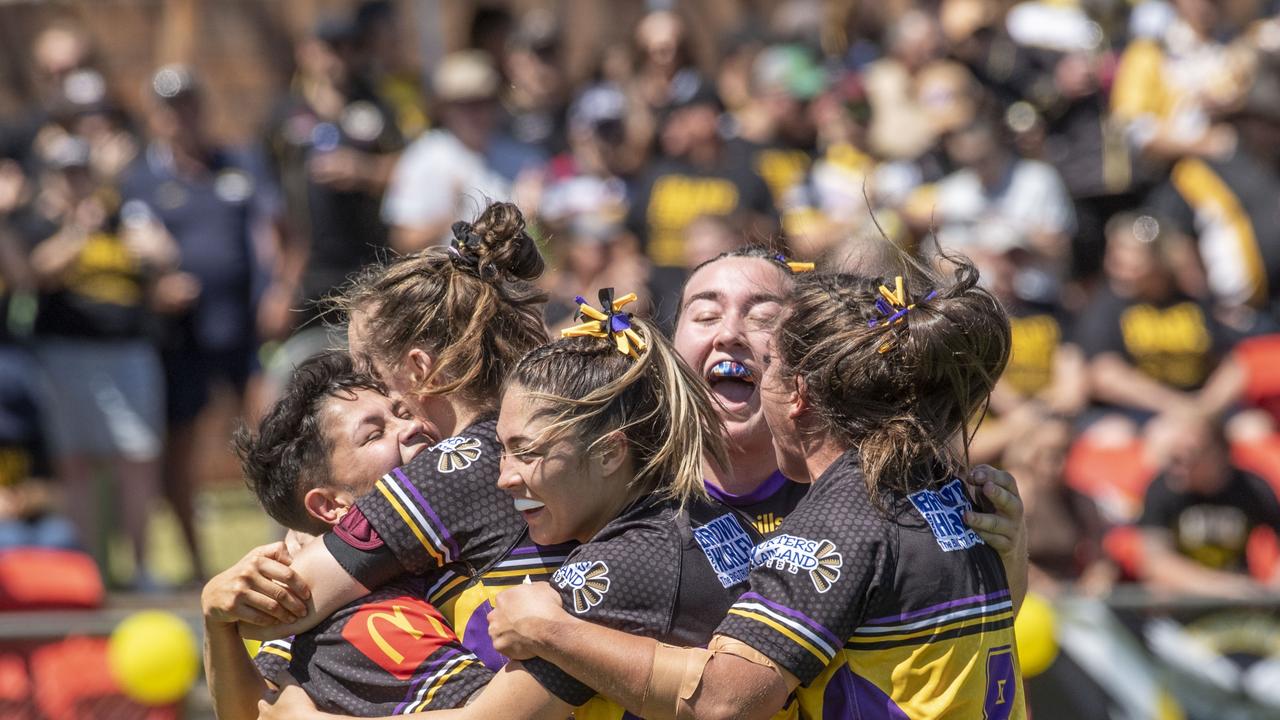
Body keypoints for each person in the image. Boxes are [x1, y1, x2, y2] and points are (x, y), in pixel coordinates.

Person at [486, 259, 1028, 720]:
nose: (732, 335)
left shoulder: (839, 520)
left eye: (767, 346)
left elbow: (725, 701)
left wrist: (551, 629)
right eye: (703, 312)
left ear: (797, 392)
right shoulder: (937, 482)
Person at [259, 296, 769, 720]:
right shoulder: (710, 517)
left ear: (611, 451)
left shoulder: (619, 566)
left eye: (526, 451)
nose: (503, 475)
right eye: (501, 447)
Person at [203, 351, 494, 720]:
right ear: (330, 506)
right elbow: (257, 711)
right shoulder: (366, 616)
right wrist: (217, 623)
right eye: (374, 434)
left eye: (402, 412)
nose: (409, 427)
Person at [120, 65, 286, 581]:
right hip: (182, 336)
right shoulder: (142, 178)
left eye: (189, 104)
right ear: (156, 115)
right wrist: (155, 285)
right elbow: (131, 244)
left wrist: (276, 287)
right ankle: (194, 563)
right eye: (170, 107)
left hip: (242, 326)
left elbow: (270, 233)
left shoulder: (237, 164)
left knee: (273, 432)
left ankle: (285, 545)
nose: (181, 117)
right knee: (182, 447)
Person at [381, 51, 545, 251]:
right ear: (444, 108)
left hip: (510, 278)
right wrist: (453, 219)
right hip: (449, 277)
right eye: (465, 104)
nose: (476, 113)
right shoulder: (422, 157)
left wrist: (537, 216)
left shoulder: (525, 158)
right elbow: (401, 242)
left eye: (483, 102)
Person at [1137, 415, 1280, 599]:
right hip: (1183, 603)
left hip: (1239, 605)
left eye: (1188, 456)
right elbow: (1155, 564)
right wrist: (1222, 587)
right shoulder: (1161, 488)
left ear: (1217, 454)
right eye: (1173, 458)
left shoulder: (1251, 488)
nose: (1177, 467)